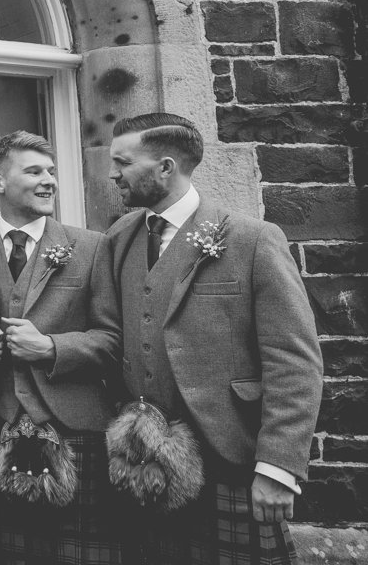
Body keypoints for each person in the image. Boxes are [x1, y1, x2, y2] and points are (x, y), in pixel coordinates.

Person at [106, 112, 322, 565]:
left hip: (231, 455)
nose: (113, 174)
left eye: (123, 163)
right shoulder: (120, 237)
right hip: (145, 460)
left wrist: (278, 467)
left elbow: (293, 360)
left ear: (165, 167)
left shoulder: (253, 240)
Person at [0, 131, 120, 564]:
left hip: (74, 427)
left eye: (51, 171)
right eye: (33, 171)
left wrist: (50, 348)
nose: (48, 180)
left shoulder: (90, 247)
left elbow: (112, 342)